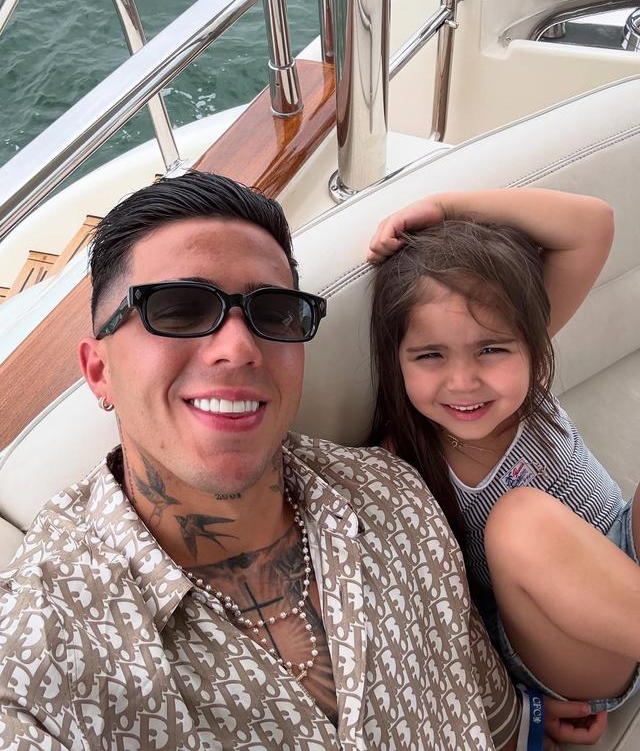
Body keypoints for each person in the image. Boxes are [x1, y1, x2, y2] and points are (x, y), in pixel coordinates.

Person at [0, 170, 543, 750]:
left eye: (275, 313)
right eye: (179, 309)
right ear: (99, 370)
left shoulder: (393, 494)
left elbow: (488, 714)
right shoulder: (39, 652)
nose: (239, 348)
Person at [367, 186, 640, 734]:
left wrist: (446, 208)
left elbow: (592, 225)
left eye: (490, 349)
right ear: (396, 362)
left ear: (532, 345)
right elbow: (423, 618)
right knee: (519, 520)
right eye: (430, 355)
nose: (463, 381)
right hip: (564, 643)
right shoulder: (401, 466)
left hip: (625, 556)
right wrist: (519, 711)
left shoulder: (523, 380)